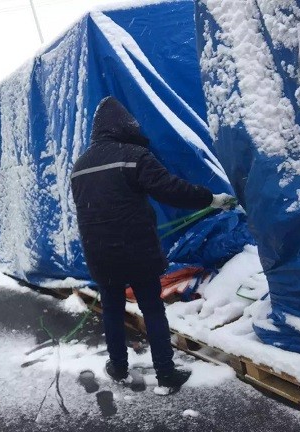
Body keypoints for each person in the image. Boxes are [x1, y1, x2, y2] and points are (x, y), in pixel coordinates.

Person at [70, 96, 235, 394]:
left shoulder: (80, 166)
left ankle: (118, 367)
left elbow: (90, 209)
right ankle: (165, 374)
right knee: (152, 309)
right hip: (136, 251)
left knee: (112, 310)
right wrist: (211, 199)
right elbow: (171, 189)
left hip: (100, 254)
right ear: (122, 126)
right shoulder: (133, 155)